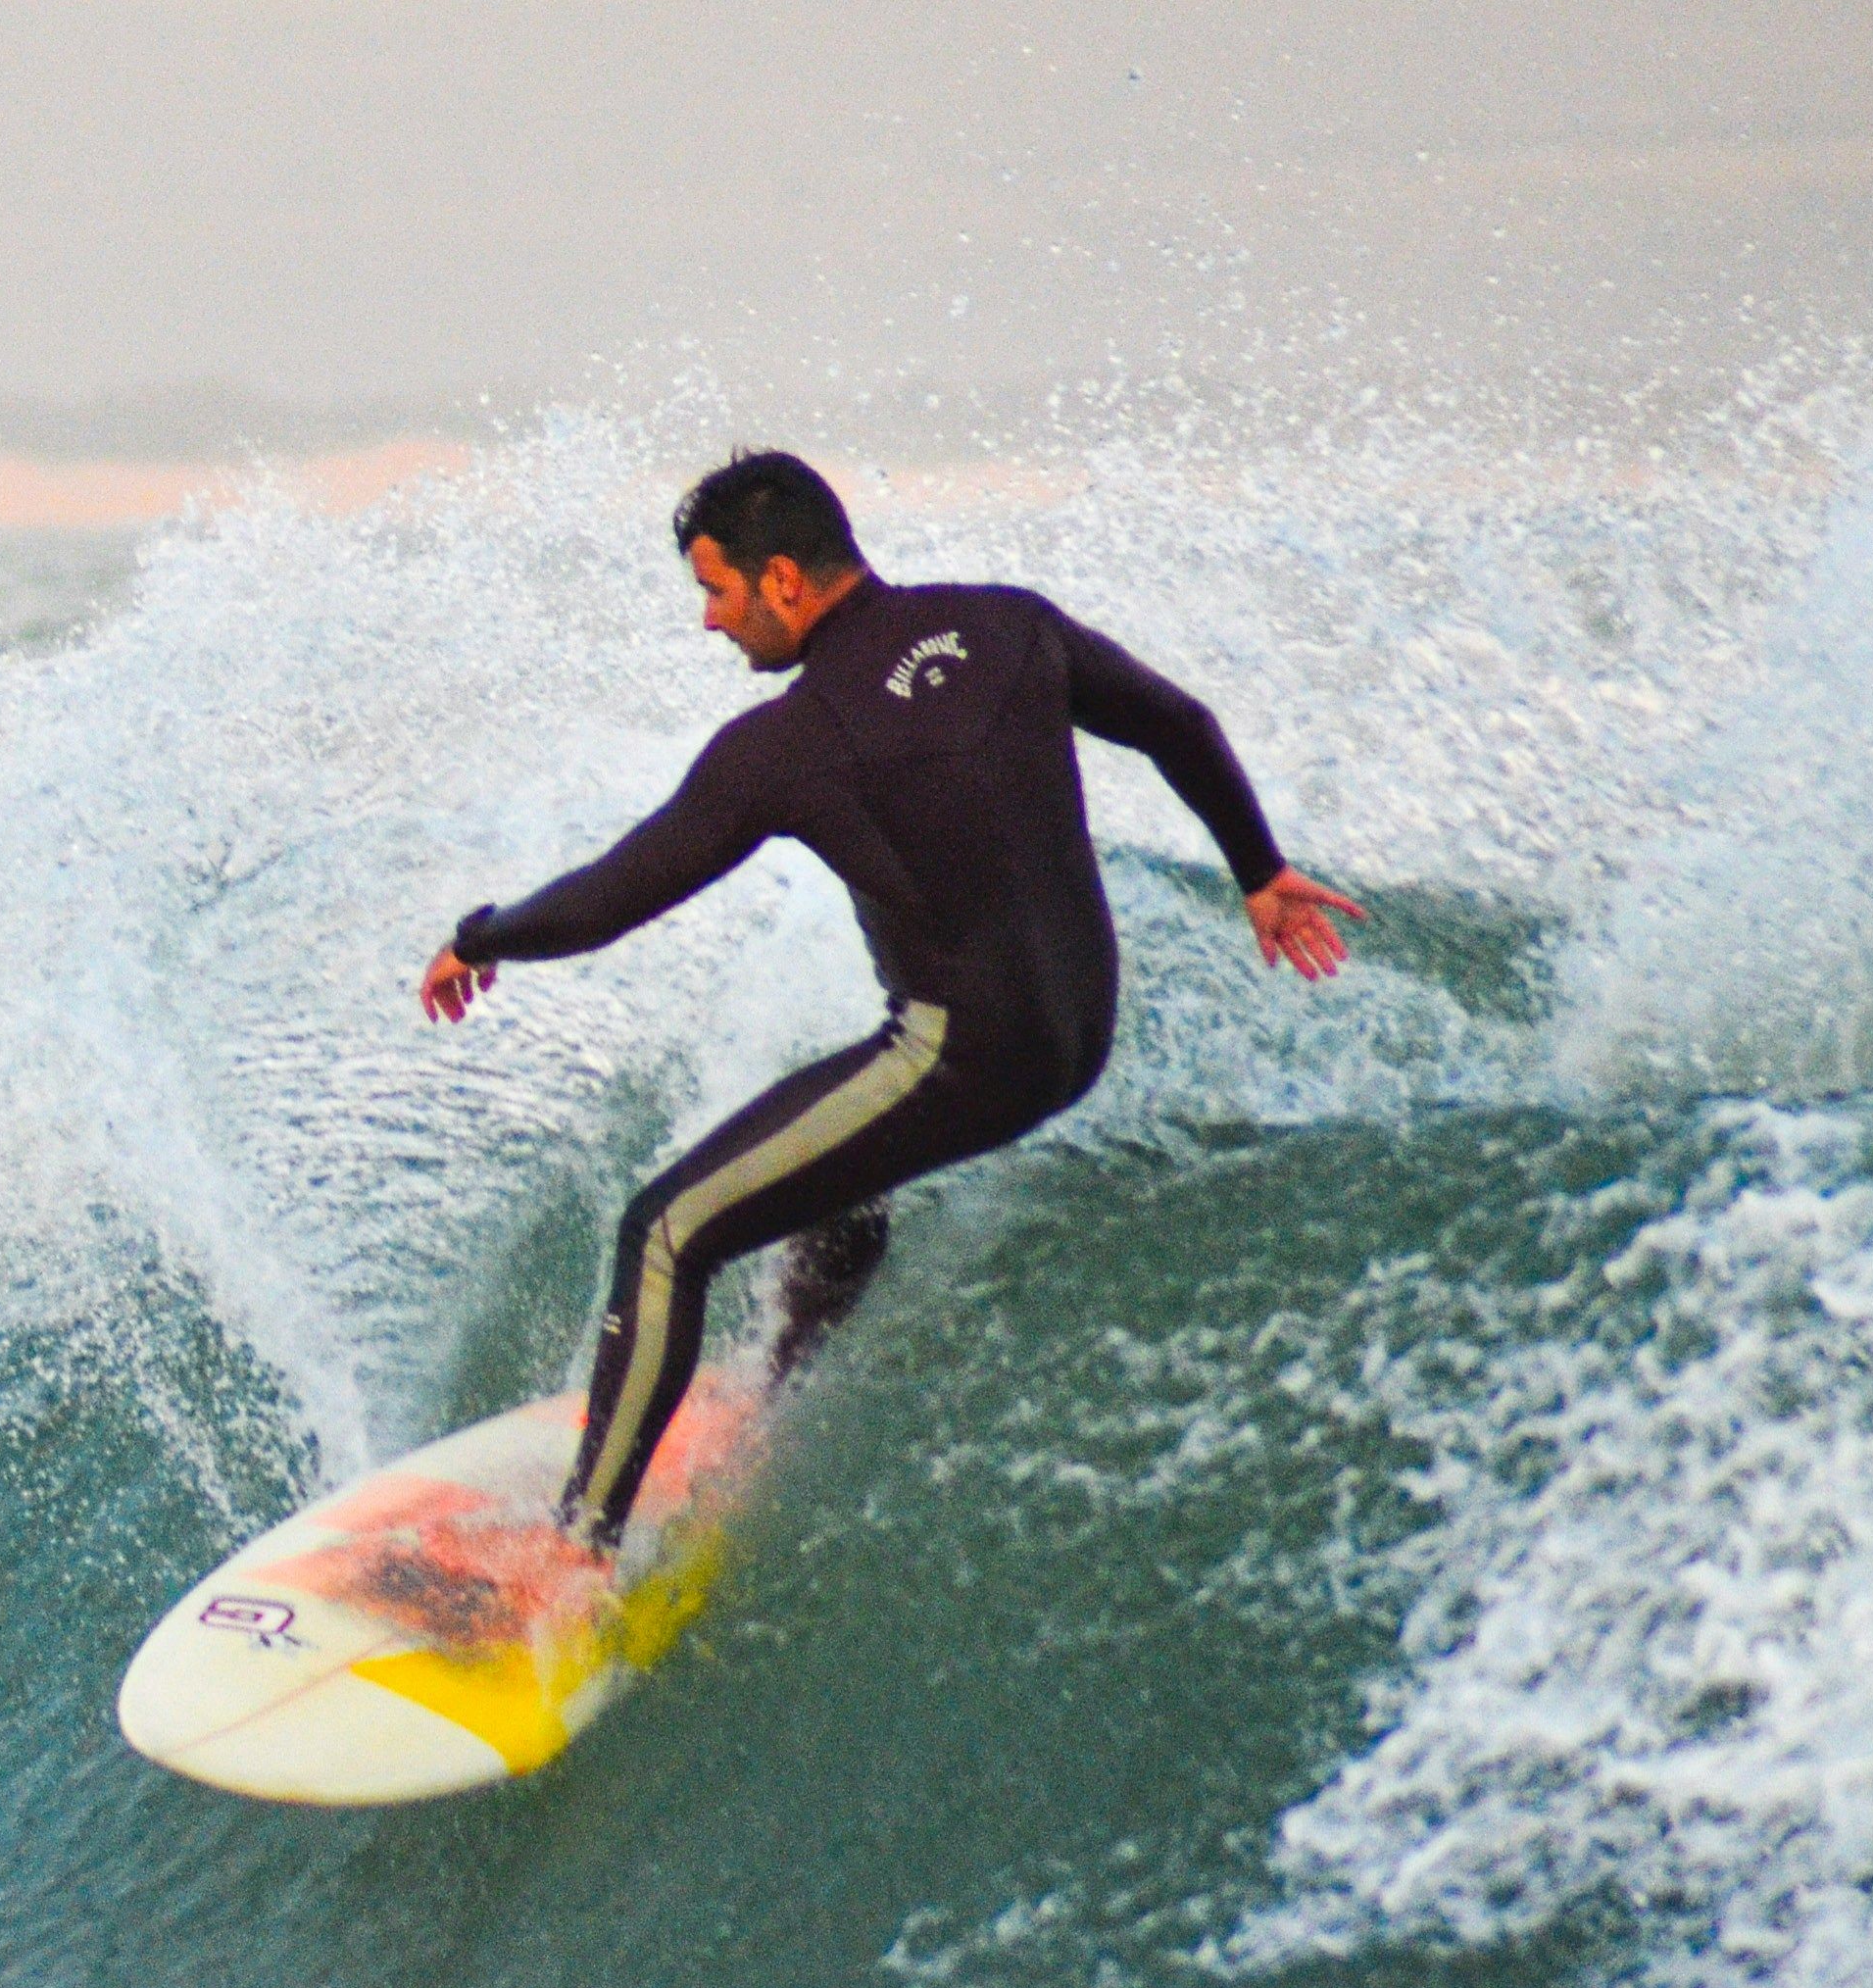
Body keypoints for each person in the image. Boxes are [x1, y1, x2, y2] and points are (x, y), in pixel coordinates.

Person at [419, 449, 1362, 1551]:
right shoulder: (1009, 626)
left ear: (780, 581)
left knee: (665, 1233)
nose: (709, 624)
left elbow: (609, 899)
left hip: (967, 1057)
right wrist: (1257, 871)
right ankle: (774, 1391)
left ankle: (572, 1549)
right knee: (837, 1164)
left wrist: (477, 936)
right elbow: (1177, 721)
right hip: (1075, 1036)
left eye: (714, 593)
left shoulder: (786, 745)